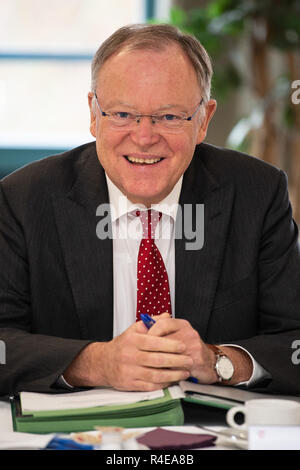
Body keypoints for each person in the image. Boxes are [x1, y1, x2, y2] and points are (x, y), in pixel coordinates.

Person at [0, 24, 300, 397]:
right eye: (123, 114)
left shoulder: (258, 193)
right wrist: (96, 363)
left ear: (204, 120)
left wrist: (218, 361)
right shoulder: (24, 198)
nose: (144, 137)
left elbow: (294, 342)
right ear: (94, 114)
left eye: (170, 117)